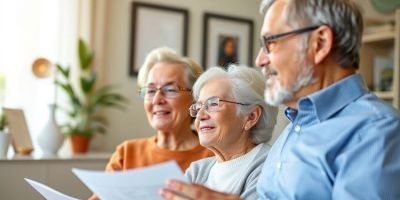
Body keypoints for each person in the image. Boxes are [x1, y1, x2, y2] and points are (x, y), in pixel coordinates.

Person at [160, 0, 400, 199]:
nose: (259, 60)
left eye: (270, 42)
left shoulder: (376, 131)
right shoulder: (291, 131)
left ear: (320, 43)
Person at [89, 47, 213, 200]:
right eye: (150, 90)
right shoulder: (126, 153)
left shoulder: (214, 155)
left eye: (170, 89)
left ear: (195, 98)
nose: (157, 100)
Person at [182, 66, 277, 199]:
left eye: (213, 104)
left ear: (251, 117)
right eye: (198, 107)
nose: (200, 116)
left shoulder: (270, 165)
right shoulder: (197, 171)